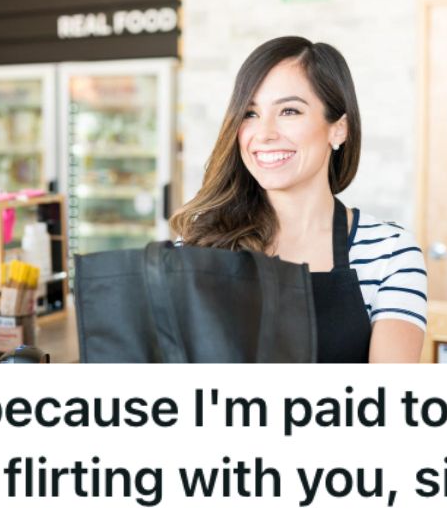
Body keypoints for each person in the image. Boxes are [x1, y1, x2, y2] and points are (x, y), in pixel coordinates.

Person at [171, 36, 427, 363]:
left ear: (339, 129)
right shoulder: (197, 245)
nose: (263, 134)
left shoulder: (388, 252)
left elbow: (386, 404)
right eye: (250, 113)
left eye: (289, 111)